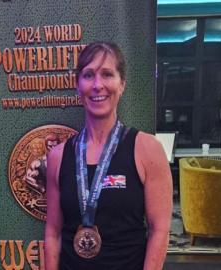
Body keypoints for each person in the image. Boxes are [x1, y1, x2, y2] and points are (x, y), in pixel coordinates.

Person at [44, 42, 173, 270]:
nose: (97, 85)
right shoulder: (58, 156)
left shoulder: (147, 149)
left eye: (107, 74)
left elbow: (159, 230)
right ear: (77, 85)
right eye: (88, 75)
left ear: (121, 84)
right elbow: (53, 234)